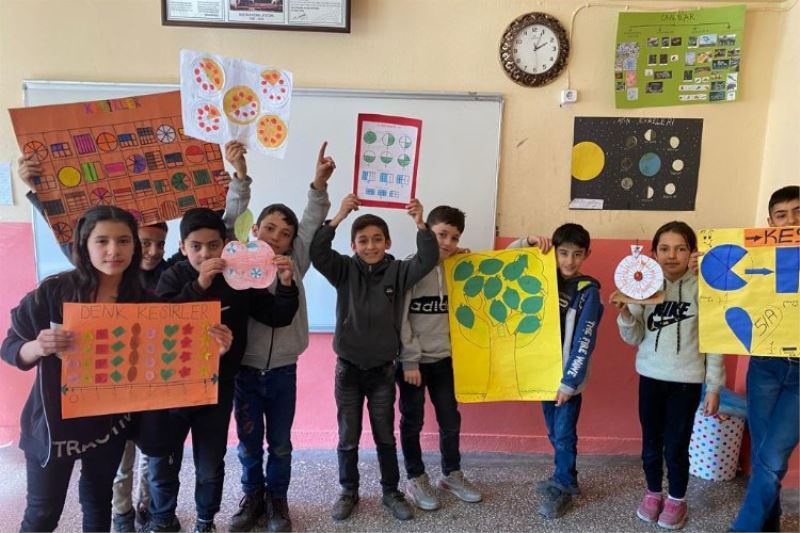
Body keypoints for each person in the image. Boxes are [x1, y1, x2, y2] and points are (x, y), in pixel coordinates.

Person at [0, 206, 232, 532]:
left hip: (108, 425)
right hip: (54, 427)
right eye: (102, 241)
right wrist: (38, 347)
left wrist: (211, 351)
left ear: (133, 246)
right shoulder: (53, 293)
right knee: (42, 513)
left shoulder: (143, 302)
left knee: (98, 504)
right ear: (84, 245)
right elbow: (10, 347)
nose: (114, 250)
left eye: (123, 241)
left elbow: (169, 358)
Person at [145, 208, 300, 533]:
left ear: (225, 245)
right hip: (172, 388)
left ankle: (205, 521)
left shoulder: (238, 276)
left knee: (210, 463)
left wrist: (286, 285)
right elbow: (160, 321)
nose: (206, 254)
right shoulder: (172, 276)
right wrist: (200, 284)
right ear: (183, 247)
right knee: (164, 461)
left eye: (213, 245)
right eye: (196, 246)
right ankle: (162, 519)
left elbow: (276, 315)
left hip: (218, 385)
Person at [224, 141, 335, 532]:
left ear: (292, 243)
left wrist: (318, 185)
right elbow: (230, 223)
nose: (275, 237)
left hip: (284, 370)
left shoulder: (295, 263)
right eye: (269, 228)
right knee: (248, 442)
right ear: (254, 230)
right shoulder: (238, 259)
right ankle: (252, 497)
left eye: (285, 234)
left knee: (281, 444)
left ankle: (277, 501)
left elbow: (311, 222)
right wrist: (240, 178)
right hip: (246, 370)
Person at [309, 195, 438, 522]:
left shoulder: (399, 271)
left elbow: (428, 258)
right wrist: (339, 216)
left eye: (377, 239)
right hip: (348, 370)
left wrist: (420, 223)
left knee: (384, 437)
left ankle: (391, 492)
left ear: (388, 242)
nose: (370, 246)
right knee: (348, 437)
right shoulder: (343, 270)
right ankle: (348, 491)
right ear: (353, 245)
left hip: (382, 371)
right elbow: (318, 252)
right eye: (363, 240)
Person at [613, 221, 724, 530]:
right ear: (653, 253)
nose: (671, 255)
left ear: (692, 252)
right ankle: (652, 493)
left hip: (687, 382)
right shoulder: (643, 285)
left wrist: (714, 387)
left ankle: (676, 499)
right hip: (650, 378)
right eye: (664, 248)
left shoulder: (704, 288)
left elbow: (715, 342)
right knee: (651, 443)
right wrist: (625, 313)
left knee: (676, 445)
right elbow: (634, 337)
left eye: (680, 248)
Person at [507, 224, 604, 519]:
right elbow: (507, 262)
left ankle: (562, 485)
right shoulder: (543, 276)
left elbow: (584, 340)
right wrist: (527, 241)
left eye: (577, 254)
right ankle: (567, 477)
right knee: (554, 430)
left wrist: (569, 382)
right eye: (563, 253)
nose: (569, 261)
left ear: (587, 254)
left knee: (563, 433)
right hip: (543, 373)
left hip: (566, 378)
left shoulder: (588, 292)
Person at [397, 205, 482, 511]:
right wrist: (409, 360)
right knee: (412, 421)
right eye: (441, 234)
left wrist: (526, 242)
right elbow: (400, 320)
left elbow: (499, 264)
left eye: (454, 237)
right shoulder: (410, 269)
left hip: (444, 360)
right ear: (427, 233)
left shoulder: (458, 268)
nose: (447, 242)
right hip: (413, 364)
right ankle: (415, 477)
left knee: (450, 419)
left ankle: (451, 474)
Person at [730, 185, 799, 532]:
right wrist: (704, 264)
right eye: (782, 215)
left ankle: (743, 528)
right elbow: (725, 288)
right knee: (763, 454)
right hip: (765, 365)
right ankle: (768, 525)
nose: (791, 221)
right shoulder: (755, 258)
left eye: (798, 213)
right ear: (770, 223)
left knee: (772, 458)